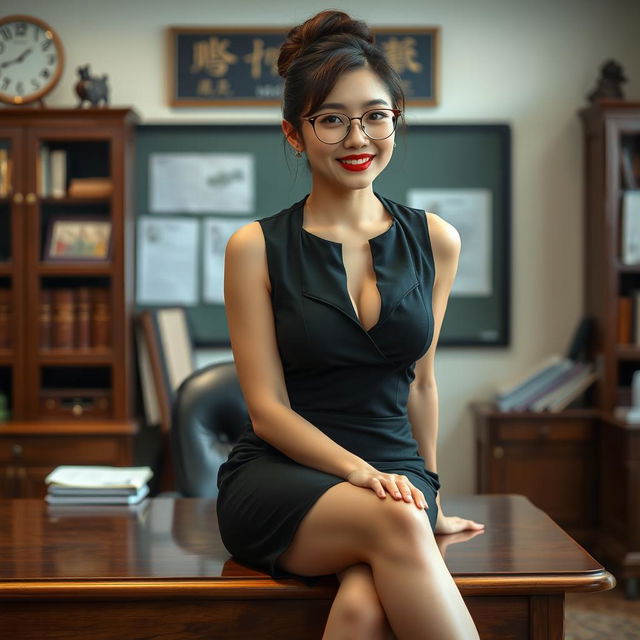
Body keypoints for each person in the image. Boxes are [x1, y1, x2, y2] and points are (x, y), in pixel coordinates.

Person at [216, 9, 485, 639]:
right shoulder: (253, 247)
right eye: (331, 119)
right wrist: (365, 476)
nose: (357, 137)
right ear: (294, 133)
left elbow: (421, 384)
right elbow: (267, 410)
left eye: (374, 115)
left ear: (396, 119)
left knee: (365, 605)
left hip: (396, 474)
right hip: (282, 474)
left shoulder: (437, 240)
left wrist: (432, 495)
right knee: (395, 523)